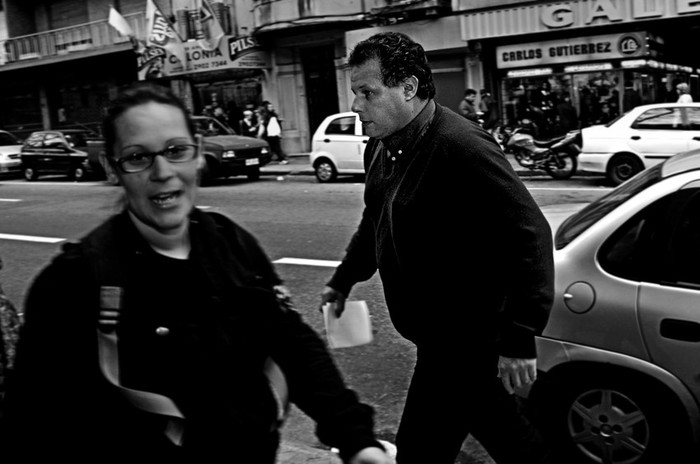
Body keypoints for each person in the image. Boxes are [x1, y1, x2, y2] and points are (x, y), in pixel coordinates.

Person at [0, 82, 392, 464]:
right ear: (111, 167)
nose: (162, 172)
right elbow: (34, 427)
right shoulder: (70, 282)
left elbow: (291, 342)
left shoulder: (230, 241)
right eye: (138, 157)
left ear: (198, 155)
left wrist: (357, 442)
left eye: (176, 151)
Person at [319, 32, 554, 464]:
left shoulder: (460, 144)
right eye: (356, 93)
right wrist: (343, 279)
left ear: (408, 88)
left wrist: (520, 337)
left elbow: (530, 234)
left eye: (367, 93)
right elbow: (377, 222)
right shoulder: (383, 148)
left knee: (422, 449)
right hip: (436, 336)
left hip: (464, 338)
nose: (356, 106)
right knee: (506, 434)